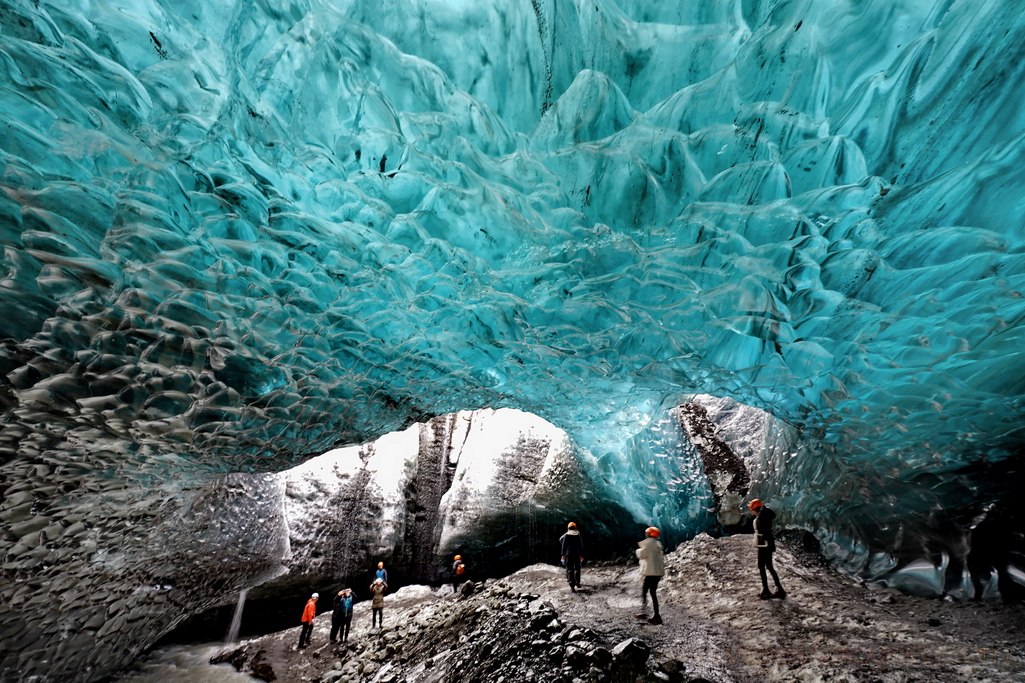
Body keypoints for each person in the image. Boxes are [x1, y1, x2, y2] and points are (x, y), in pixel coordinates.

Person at [749, 499, 786, 599]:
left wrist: (761, 538)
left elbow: (763, 529)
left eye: (752, 509)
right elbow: (771, 515)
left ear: (756, 509)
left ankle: (766, 590)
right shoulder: (767, 514)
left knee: (762, 566)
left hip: (764, 544)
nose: (752, 512)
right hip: (768, 544)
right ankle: (779, 589)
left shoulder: (763, 516)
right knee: (769, 566)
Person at [635, 526, 665, 625]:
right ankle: (655, 615)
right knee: (652, 593)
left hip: (651, 574)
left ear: (649, 534)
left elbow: (642, 555)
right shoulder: (658, 544)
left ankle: (647, 612)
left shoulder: (649, 545)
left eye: (646, 533)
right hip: (656, 574)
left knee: (645, 591)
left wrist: (638, 550)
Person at [559, 521, 585, 591]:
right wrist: (582, 555)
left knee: (570, 569)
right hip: (576, 554)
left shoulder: (566, 535)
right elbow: (580, 545)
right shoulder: (577, 534)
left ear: (568, 528)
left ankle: (572, 586)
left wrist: (563, 555)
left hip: (569, 554)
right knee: (577, 568)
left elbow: (564, 546)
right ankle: (578, 582)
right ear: (575, 527)